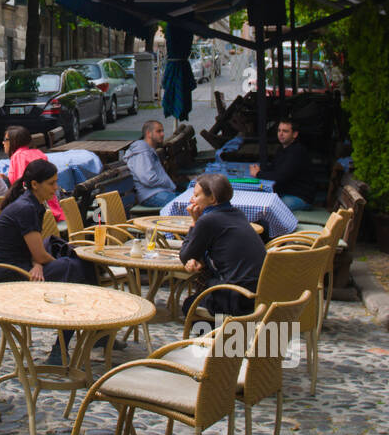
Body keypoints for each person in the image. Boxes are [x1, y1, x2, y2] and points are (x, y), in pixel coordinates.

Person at [0, 159, 98, 364]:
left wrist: (38, 263)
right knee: (73, 268)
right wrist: (39, 261)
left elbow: (35, 251)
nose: (56, 188)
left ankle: (98, 332)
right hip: (8, 276)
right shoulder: (26, 208)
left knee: (82, 261)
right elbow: (38, 253)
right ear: (34, 184)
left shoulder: (32, 203)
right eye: (51, 183)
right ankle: (62, 348)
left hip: (24, 266)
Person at [178, 174, 267, 327]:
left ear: (212, 198)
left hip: (239, 297)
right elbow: (223, 248)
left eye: (196, 195)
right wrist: (201, 259)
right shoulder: (237, 213)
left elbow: (185, 255)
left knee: (189, 305)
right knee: (205, 291)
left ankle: (214, 344)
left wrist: (194, 223)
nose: (191, 199)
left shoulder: (208, 220)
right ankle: (227, 340)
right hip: (261, 292)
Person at [248, 119, 317, 210]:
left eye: (285, 131)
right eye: (279, 130)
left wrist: (258, 174)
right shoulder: (282, 149)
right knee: (258, 200)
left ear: (295, 134)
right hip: (286, 193)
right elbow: (274, 167)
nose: (280, 134)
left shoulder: (297, 152)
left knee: (271, 209)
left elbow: (281, 176)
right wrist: (260, 170)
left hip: (300, 197)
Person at [2, 125, 64, 223]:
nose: (3, 142)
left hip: (36, 211)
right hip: (53, 206)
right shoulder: (38, 152)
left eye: (5, 139)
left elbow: (22, 184)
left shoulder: (18, 156)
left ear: (13, 141)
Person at [124, 119, 178, 208]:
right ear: (149, 133)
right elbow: (148, 178)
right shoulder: (142, 152)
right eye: (158, 131)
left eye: (162, 131)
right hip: (151, 196)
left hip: (160, 192)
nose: (162, 134)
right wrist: (167, 182)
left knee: (191, 200)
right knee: (185, 205)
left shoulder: (147, 150)